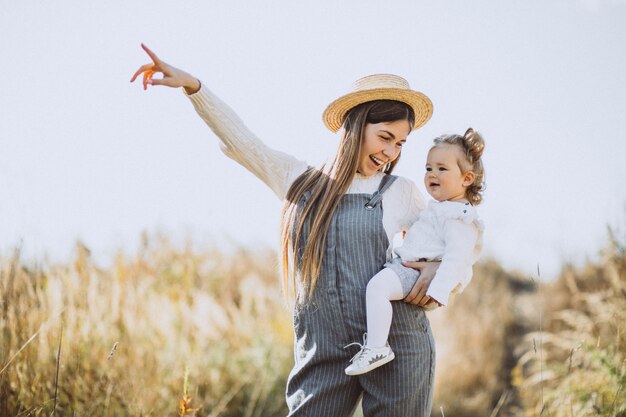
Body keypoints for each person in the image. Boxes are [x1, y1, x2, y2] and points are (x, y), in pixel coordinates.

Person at [131, 43, 441, 417]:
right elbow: (242, 141)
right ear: (356, 127)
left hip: (396, 345)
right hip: (323, 349)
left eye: (401, 143)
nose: (391, 153)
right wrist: (195, 88)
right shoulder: (299, 181)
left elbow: (448, 241)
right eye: (385, 138)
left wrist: (437, 272)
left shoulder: (402, 192)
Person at [344, 128, 486, 376]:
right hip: (408, 265)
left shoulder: (460, 217)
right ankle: (375, 344)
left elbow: (458, 258)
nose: (432, 174)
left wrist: (440, 289)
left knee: (377, 288)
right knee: (378, 288)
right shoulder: (441, 208)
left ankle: (377, 347)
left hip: (416, 273)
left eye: (442, 169)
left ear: (466, 179)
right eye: (428, 168)